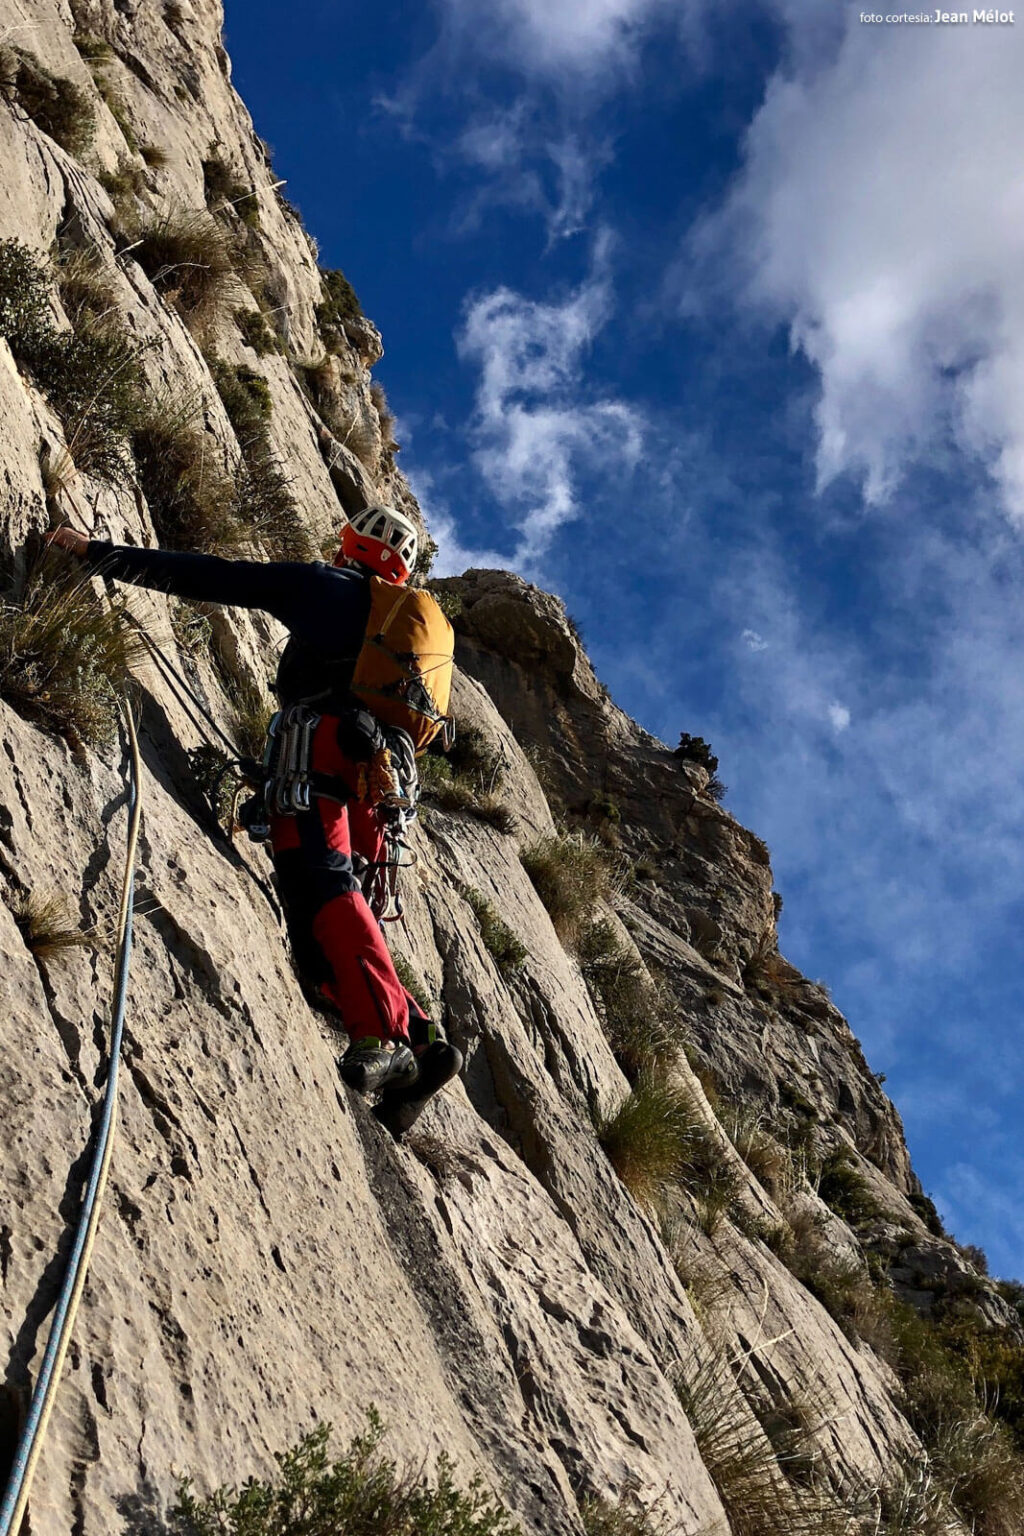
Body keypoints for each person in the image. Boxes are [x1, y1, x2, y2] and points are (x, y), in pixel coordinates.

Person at [48, 507, 461, 1127]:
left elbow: (219, 577)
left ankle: (381, 1037)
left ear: (353, 544)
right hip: (376, 774)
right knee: (332, 904)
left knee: (319, 884)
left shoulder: (331, 590)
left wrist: (97, 553)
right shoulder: (401, 633)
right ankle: (424, 1041)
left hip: (319, 750)